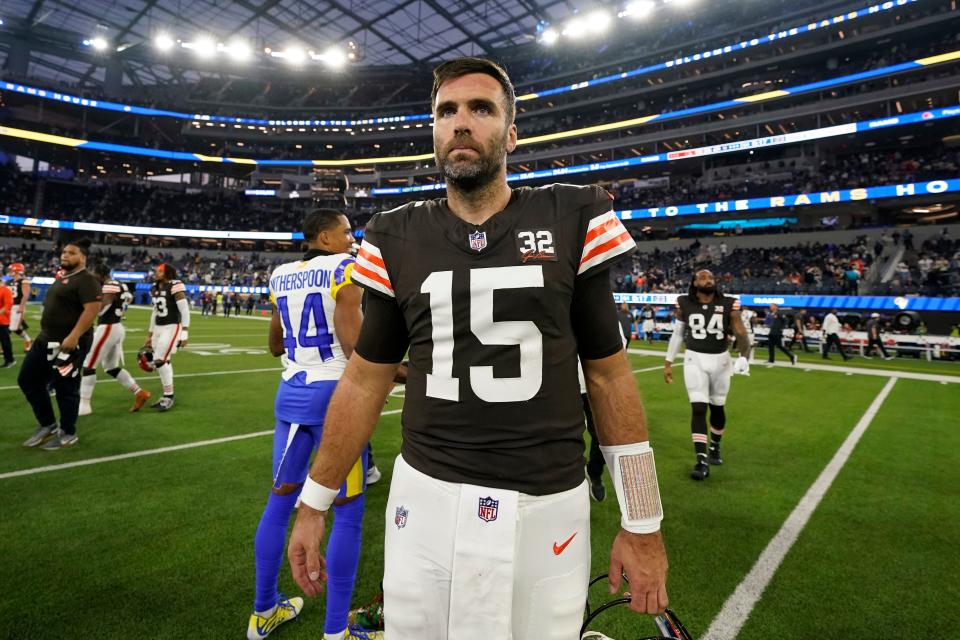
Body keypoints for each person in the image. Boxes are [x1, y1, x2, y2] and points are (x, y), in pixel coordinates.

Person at [286, 57, 668, 640]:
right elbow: (365, 380)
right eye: (447, 111)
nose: (461, 122)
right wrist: (314, 502)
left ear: (511, 134)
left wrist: (642, 523)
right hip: (426, 496)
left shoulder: (573, 216)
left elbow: (610, 378)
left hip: (545, 501)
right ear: (434, 132)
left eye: (481, 109)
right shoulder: (395, 234)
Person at [248, 209, 371, 640]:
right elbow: (355, 344)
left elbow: (274, 343)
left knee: (280, 504)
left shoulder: (280, 274)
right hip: (336, 398)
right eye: (345, 231)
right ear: (324, 236)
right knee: (348, 513)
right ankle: (336, 631)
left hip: (291, 393)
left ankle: (264, 609)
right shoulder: (345, 268)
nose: (352, 238)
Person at [663, 270, 751, 480]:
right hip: (694, 359)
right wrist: (668, 362)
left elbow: (740, 331)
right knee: (699, 407)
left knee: (718, 407)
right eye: (702, 278)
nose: (708, 280)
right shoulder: (684, 302)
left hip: (721, 360)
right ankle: (701, 459)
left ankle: (715, 447)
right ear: (694, 283)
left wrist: (744, 355)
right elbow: (678, 333)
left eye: (711, 277)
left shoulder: (729, 303)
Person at [20, 239, 101, 449]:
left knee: (66, 388)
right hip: (46, 340)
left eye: (71, 253)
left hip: (69, 345)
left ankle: (68, 432)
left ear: (83, 257)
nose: (65, 255)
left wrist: (74, 336)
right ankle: (48, 424)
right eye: (64, 252)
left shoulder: (87, 280)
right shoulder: (62, 276)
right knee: (28, 379)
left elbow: (91, 310)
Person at [78, 263, 152, 415]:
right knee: (111, 367)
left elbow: (102, 306)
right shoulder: (121, 285)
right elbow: (129, 298)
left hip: (108, 327)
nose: (92, 276)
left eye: (93, 273)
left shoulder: (109, 285)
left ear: (100, 273)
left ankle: (84, 405)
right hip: (115, 326)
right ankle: (139, 393)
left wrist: (87, 310)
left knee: (88, 365)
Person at [143, 263, 190, 411]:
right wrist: (150, 334)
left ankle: (169, 396)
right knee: (164, 361)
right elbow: (154, 312)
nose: (157, 273)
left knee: (159, 360)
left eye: (160, 271)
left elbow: (184, 310)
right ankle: (167, 395)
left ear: (168, 272)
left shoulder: (175, 285)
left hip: (171, 326)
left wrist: (184, 332)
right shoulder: (155, 287)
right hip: (158, 327)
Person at [7, 262, 33, 351]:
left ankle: (6, 346)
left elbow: (25, 295)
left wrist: (21, 306)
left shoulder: (24, 281)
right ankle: (28, 340)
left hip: (17, 306)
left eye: (11, 270)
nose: (10, 271)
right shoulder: (9, 282)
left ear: (17, 271)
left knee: (11, 328)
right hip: (8, 307)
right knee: (10, 327)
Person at [0, 275, 14, 367]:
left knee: (5, 342)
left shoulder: (5, 290)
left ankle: (9, 360)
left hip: (3, 320)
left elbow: (8, 305)